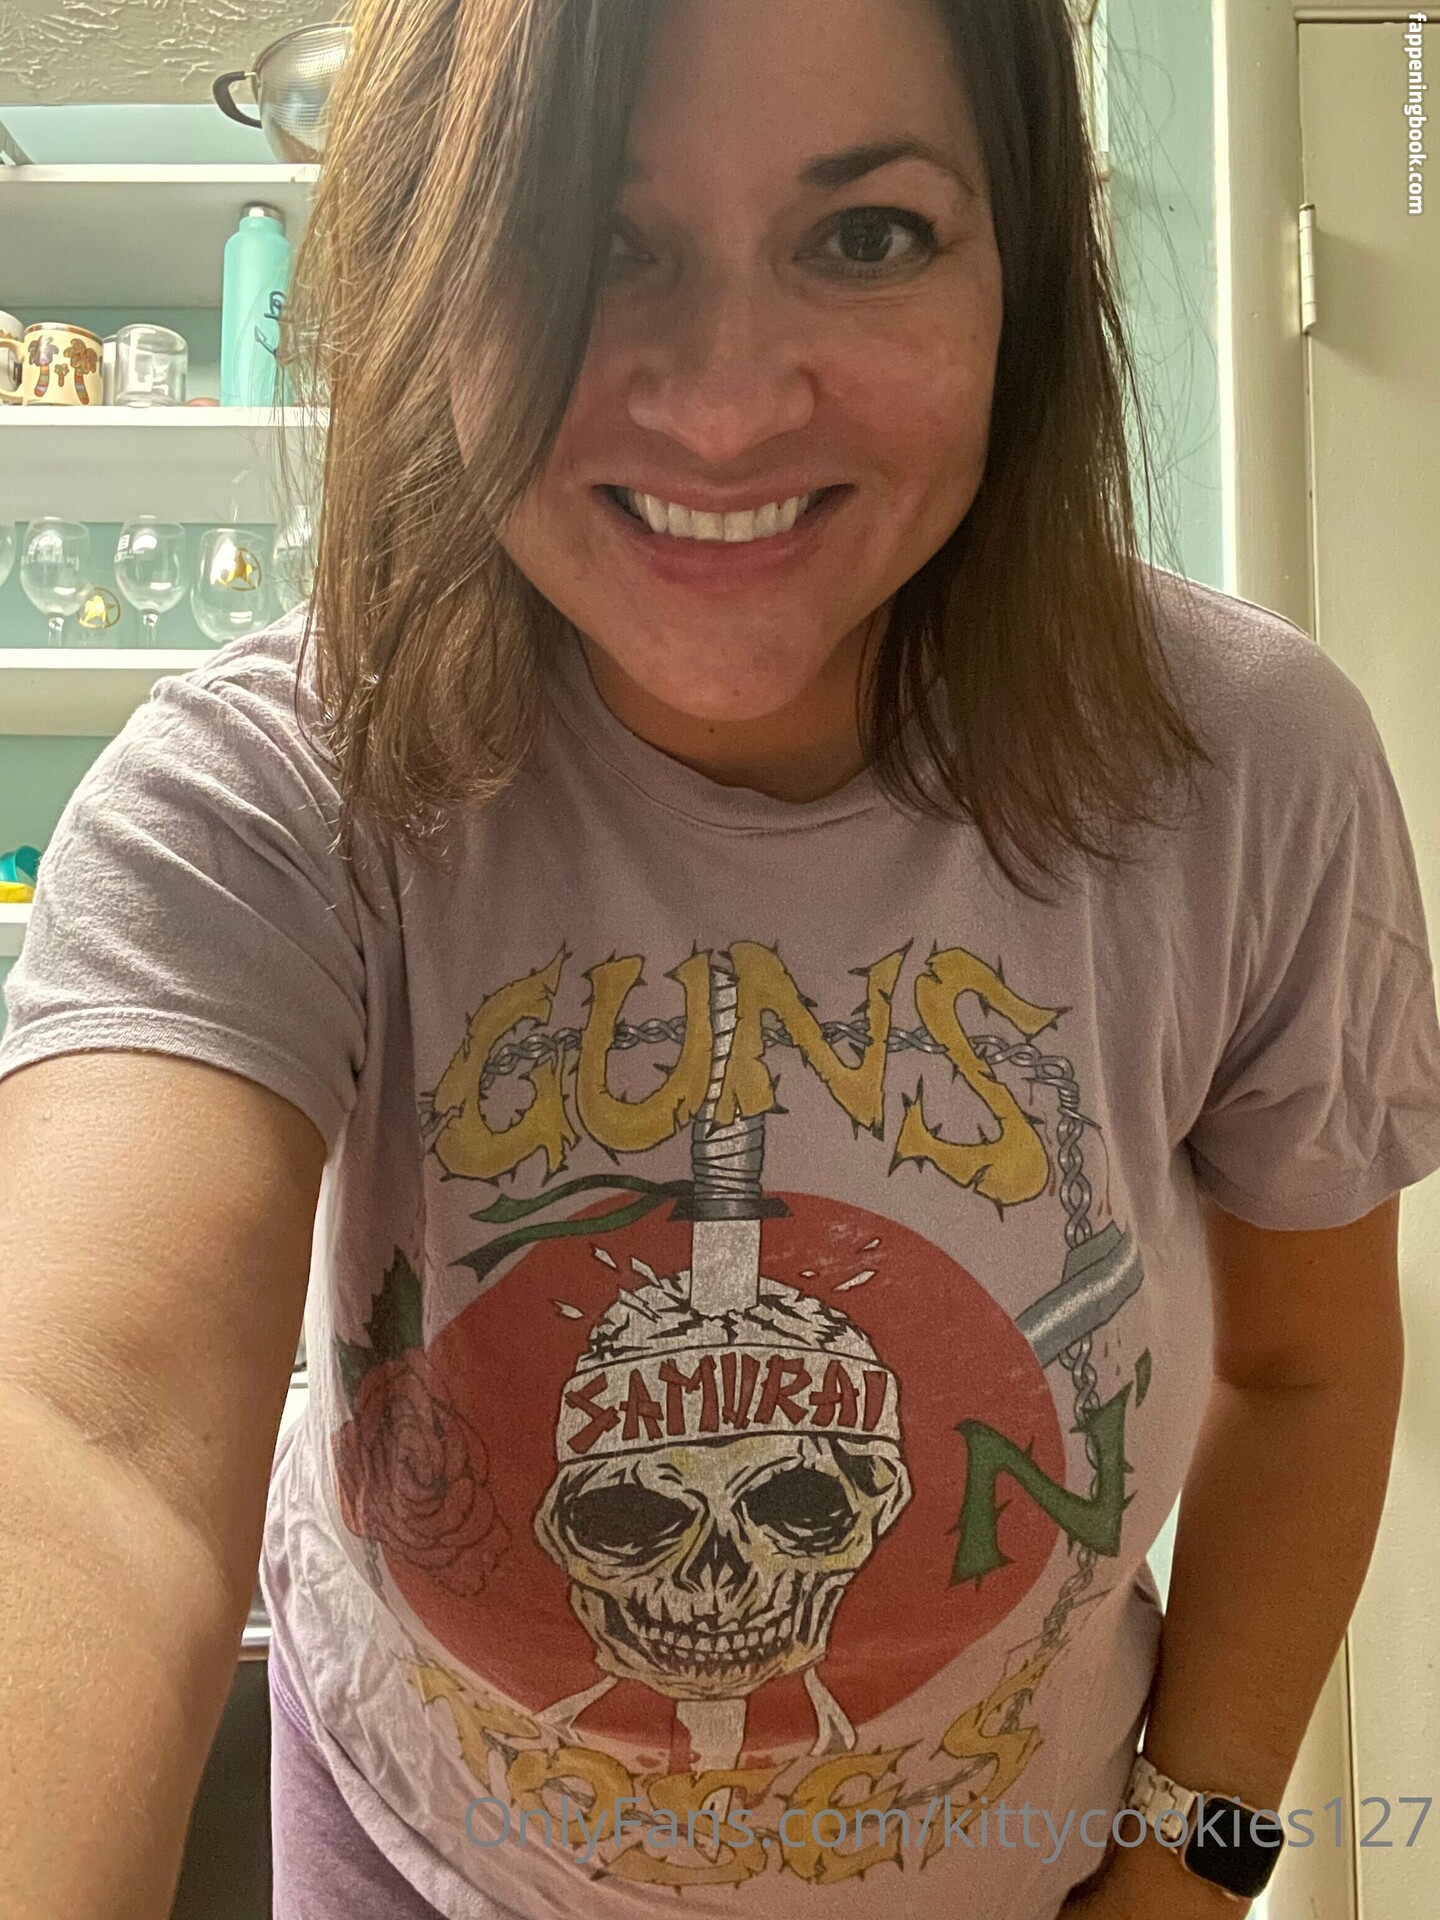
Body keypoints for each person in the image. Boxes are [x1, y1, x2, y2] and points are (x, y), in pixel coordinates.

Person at [3, 1, 1439, 1916]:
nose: (727, 404)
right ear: (429, 270)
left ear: (1023, 264)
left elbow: (1311, 1371)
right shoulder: (267, 794)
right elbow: (85, 1440)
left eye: (867, 234)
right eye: (592, 241)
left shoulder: (1245, 772)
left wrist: (1198, 1858)